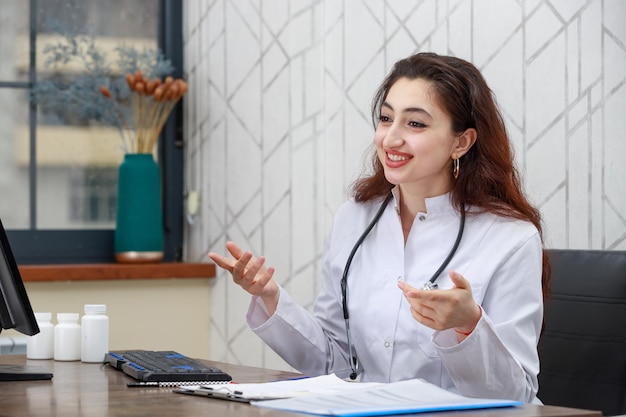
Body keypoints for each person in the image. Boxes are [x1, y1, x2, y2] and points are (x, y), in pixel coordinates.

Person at [208, 52, 550, 403]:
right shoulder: (354, 218)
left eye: (415, 124)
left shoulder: (510, 237)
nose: (390, 138)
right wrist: (271, 298)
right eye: (386, 119)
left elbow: (517, 396)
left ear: (460, 142)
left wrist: (468, 325)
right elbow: (336, 366)